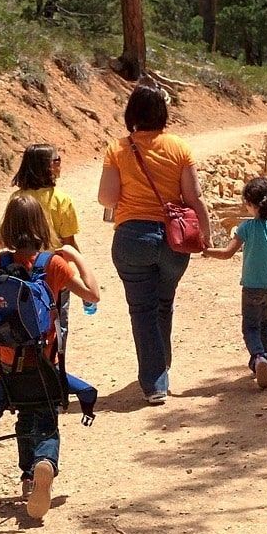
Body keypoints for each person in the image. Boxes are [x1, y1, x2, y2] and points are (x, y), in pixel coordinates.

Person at [0, 194, 100, 522]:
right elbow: (93, 294)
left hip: (7, 362)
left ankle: (28, 476)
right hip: (44, 361)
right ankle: (44, 462)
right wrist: (76, 256)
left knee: (24, 416)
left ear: (7, 227)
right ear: (41, 226)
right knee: (45, 416)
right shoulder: (53, 264)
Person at [98, 83, 211, 406]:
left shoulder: (118, 149)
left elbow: (106, 197)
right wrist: (204, 232)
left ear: (131, 113)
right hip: (174, 240)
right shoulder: (179, 148)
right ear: (163, 112)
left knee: (142, 309)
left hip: (133, 237)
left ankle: (154, 381)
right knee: (164, 302)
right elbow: (194, 197)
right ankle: (162, 364)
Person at [0, 144, 85, 347]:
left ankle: (22, 364)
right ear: (46, 167)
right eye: (57, 160)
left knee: (26, 319)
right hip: (54, 271)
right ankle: (53, 365)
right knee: (57, 323)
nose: (60, 164)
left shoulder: (17, 198)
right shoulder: (62, 200)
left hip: (21, 272)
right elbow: (69, 243)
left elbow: (9, 236)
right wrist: (77, 275)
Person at [205, 175, 267, 388]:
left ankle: (258, 357)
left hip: (251, 288)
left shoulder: (246, 228)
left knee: (250, 327)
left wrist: (206, 250)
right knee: (266, 325)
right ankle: (266, 363)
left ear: (250, 205)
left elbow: (226, 253)